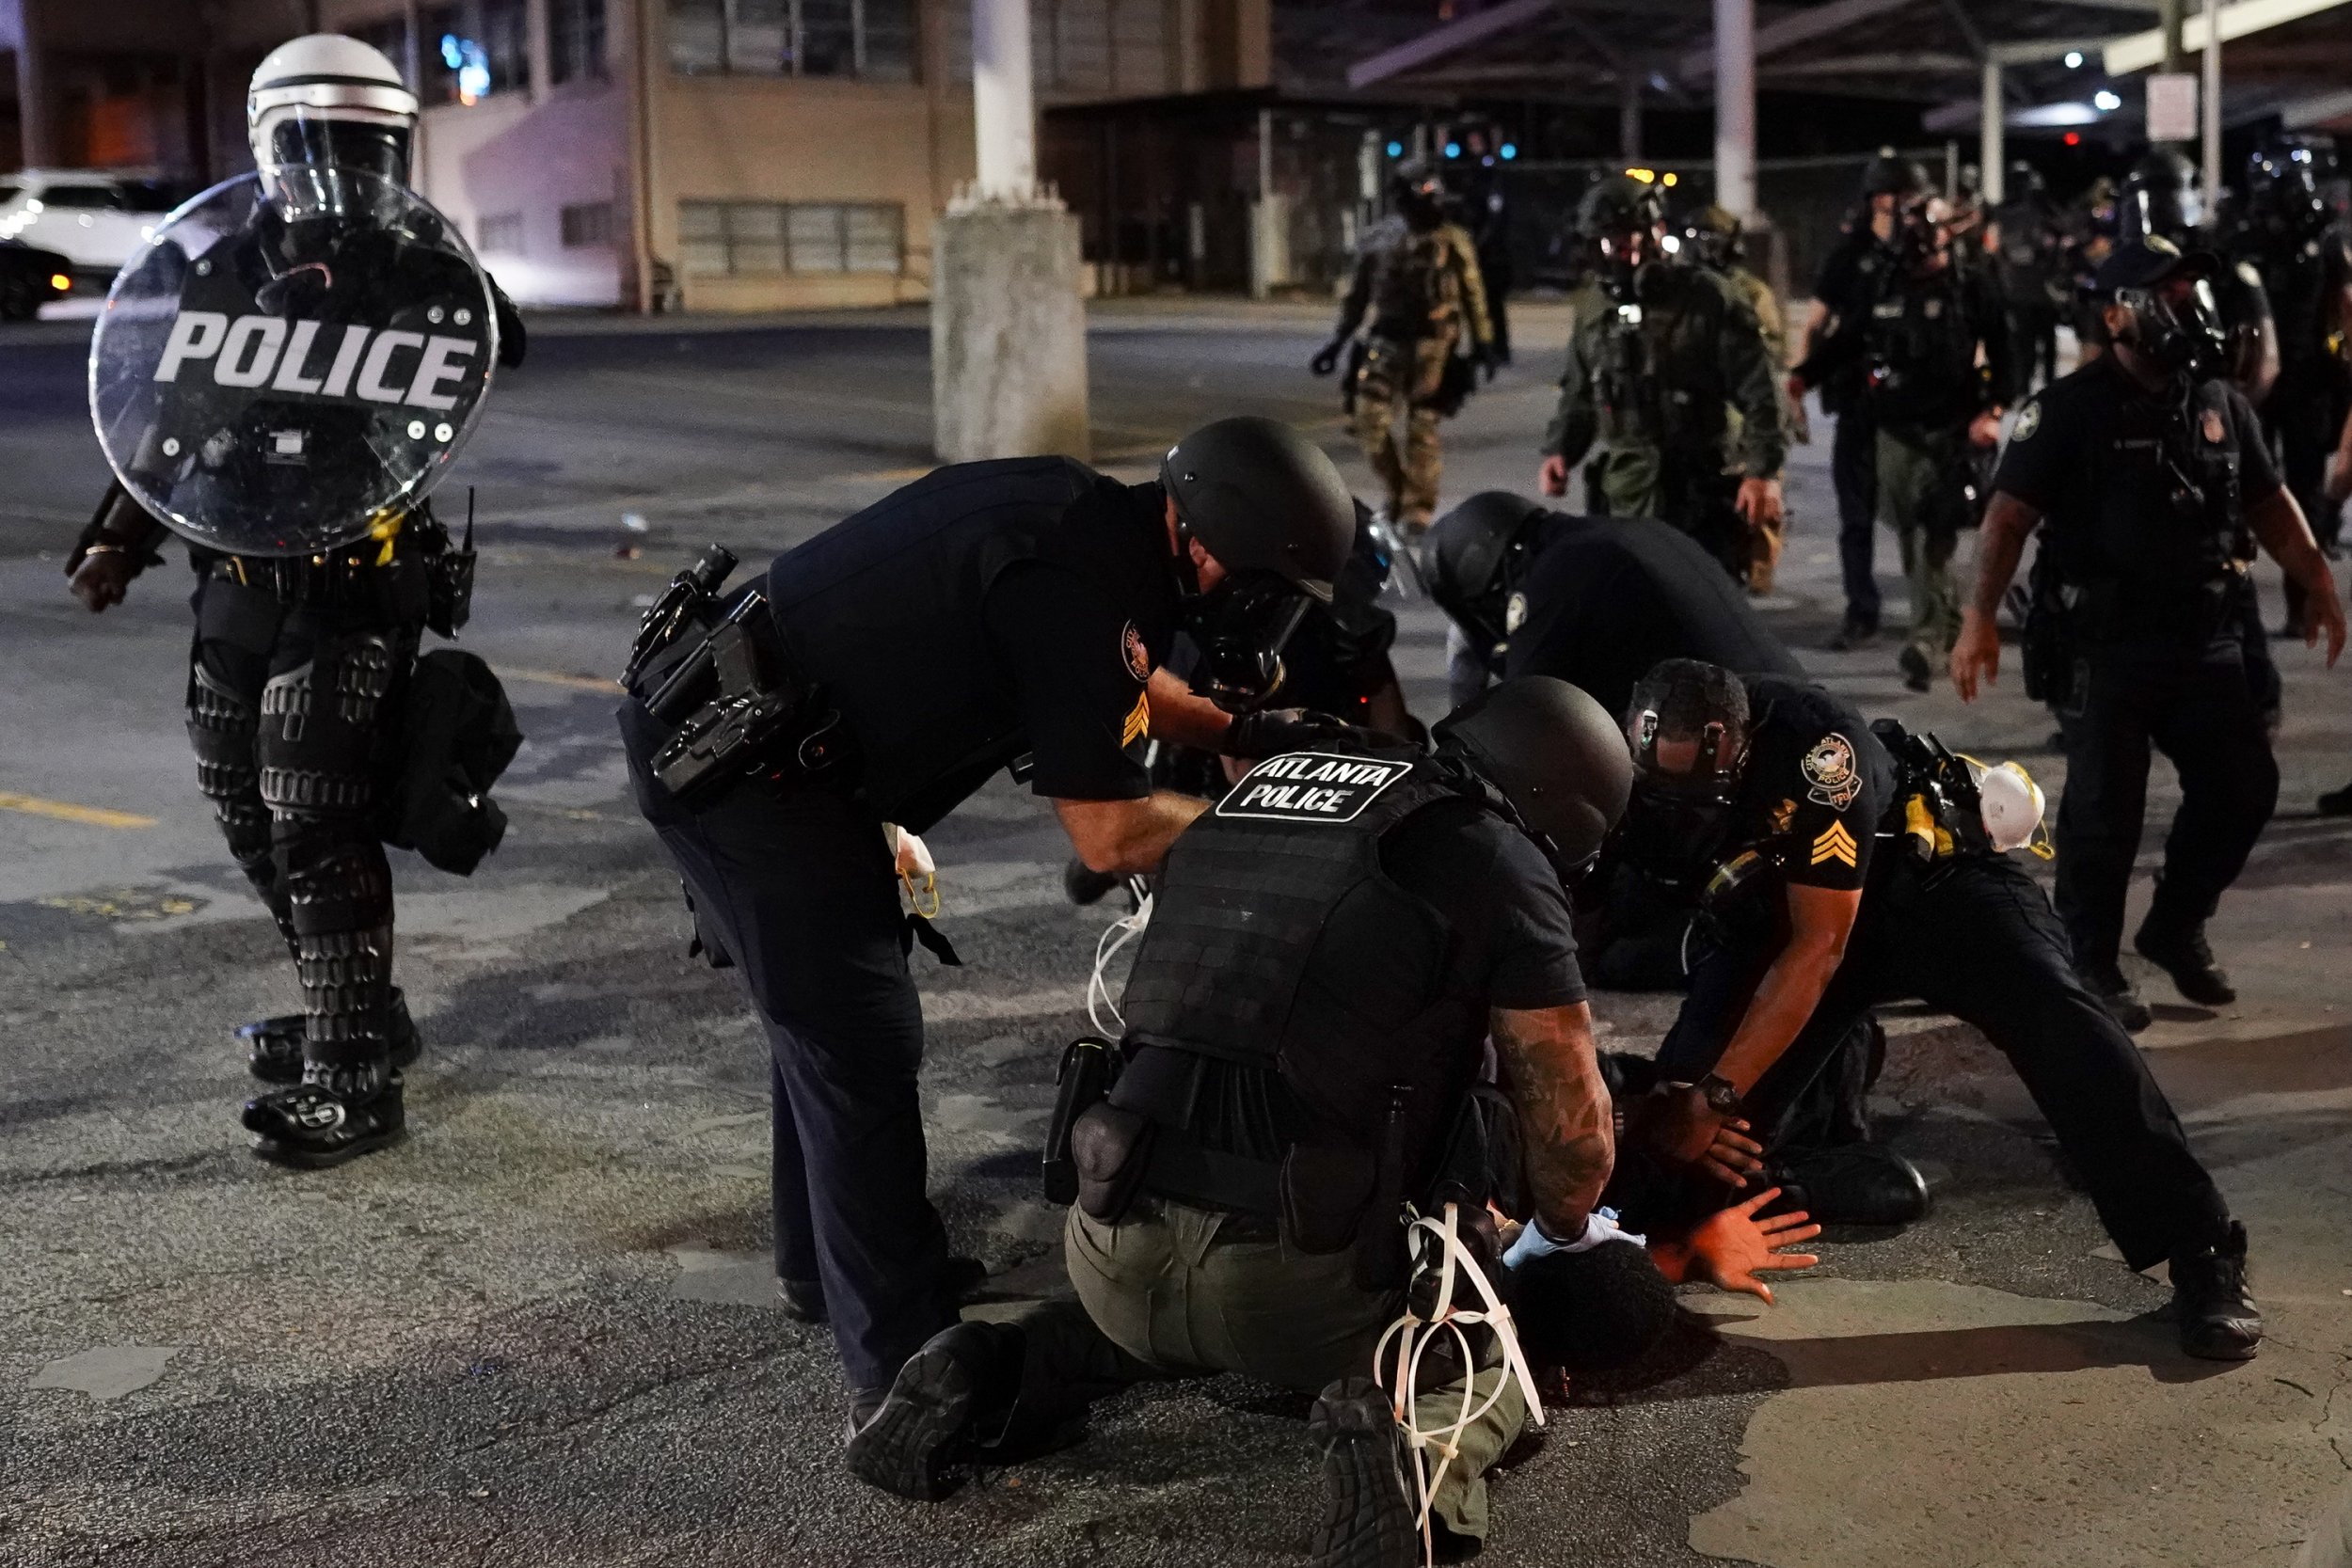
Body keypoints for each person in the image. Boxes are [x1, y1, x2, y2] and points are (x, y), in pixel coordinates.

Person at [847, 679, 1791, 1564]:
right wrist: (1548, 1242)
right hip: (1293, 1279)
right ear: (1560, 808)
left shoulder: (1249, 798)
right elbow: (1570, 1130)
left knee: (1125, 1329)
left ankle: (987, 1366)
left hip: (1107, 1235)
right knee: (1498, 1362)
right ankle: (1418, 1454)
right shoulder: (1496, 859)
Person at [616, 416, 1356, 1432]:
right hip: (746, 777)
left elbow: (1130, 683)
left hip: (779, 757)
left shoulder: (1098, 527)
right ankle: (901, 1373)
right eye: (1260, 582)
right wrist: (1266, 815)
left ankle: (823, 1275)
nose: (1256, 612)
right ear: (1202, 536)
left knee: (827, 1032)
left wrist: (1233, 730)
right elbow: (1109, 832)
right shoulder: (1075, 579)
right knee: (858, 1039)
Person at [64, 33, 528, 1168]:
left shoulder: (416, 267)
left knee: (314, 813)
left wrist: (424, 268)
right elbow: (170, 423)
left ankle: (353, 1078)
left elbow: (498, 337)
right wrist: (117, 538)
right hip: (233, 570)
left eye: (366, 148)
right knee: (243, 806)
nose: (342, 169)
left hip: (356, 585)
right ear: (275, 143)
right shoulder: (221, 267)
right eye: (323, 145)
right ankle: (358, 1010)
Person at [1619, 658, 2266, 1360]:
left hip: (1927, 886)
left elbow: (1820, 947)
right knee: (1674, 1143)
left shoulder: (1818, 749)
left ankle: (2201, 1245)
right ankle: (1798, 1170)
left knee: (2057, 1011)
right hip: (1784, 918)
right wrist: (1678, 1099)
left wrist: (1714, 1096)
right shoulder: (1622, 766)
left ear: (1737, 743)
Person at [1951, 237, 2345, 1033]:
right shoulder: (2066, 409)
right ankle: (2088, 960)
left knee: (2243, 789)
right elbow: (2008, 519)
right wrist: (1977, 618)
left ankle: (2174, 924)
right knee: (2104, 816)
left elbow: (2270, 503)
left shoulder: (2220, 402)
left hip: (2206, 638)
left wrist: (2318, 579)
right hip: (2106, 646)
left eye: (2192, 290)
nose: (2189, 308)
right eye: (2167, 293)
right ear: (2117, 313)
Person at [1794, 189, 2011, 693]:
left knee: (1931, 527)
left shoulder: (1970, 286)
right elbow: (1848, 339)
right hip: (1894, 429)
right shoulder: (1884, 283)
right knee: (1907, 522)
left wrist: (1994, 410)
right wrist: (1804, 375)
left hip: (1951, 429)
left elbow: (2006, 349)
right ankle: (1945, 620)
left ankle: (1928, 636)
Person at [1539, 175, 1786, 584]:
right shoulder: (1594, 307)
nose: (1615, 252)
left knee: (1704, 616)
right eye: (1604, 242)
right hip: (1626, 492)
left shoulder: (1708, 298)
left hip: (1700, 494)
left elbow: (1760, 392)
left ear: (1654, 234)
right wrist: (1561, 450)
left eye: (1624, 239)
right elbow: (1580, 391)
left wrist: (1762, 473)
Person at [1426, 490, 1802, 722]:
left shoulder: (1555, 579)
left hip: (1746, 746)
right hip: (1797, 711)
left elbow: (1521, 724)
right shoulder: (1623, 535)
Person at [1313, 162, 1495, 536]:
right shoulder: (1380, 239)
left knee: (1423, 428)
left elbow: (1474, 293)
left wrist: (1484, 342)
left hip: (1435, 345)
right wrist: (1337, 342)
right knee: (1369, 421)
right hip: (1386, 342)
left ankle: (1418, 510)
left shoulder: (1452, 239)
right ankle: (1397, 492)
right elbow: (1358, 297)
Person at [1799, 151, 1923, 647]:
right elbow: (1815, 323)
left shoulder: (1923, 255)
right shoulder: (1848, 257)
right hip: (1856, 403)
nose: (1908, 208)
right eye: (1901, 197)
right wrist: (1797, 393)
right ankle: (1861, 609)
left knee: (1917, 511)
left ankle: (1930, 617)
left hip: (1910, 406)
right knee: (1856, 517)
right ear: (1880, 199)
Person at [2233, 136, 2352, 639]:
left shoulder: (2246, 235)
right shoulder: (2319, 236)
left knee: (2252, 489)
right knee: (2288, 492)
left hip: (2277, 380)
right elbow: (2346, 305)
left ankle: (2277, 606)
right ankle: (2299, 607)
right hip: (2293, 379)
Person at [1689, 204, 1802, 594]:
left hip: (1743, 410)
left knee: (1756, 513)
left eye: (1711, 240)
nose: (1703, 249)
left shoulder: (1751, 292)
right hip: (1711, 414)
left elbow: (1770, 356)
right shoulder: (1689, 292)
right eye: (1697, 240)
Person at [1988, 160, 2068, 394]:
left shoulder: (2010, 212)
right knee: (2031, 343)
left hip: (2029, 288)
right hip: (2029, 288)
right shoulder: (2015, 212)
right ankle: (2032, 387)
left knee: (2030, 343)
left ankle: (2031, 387)